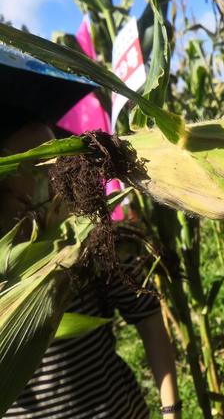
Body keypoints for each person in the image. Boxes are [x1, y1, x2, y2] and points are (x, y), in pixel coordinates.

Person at [1, 122, 182, 419]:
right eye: (32, 164)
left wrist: (171, 410)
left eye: (55, 160)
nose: (50, 175)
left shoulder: (92, 240)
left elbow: (148, 319)